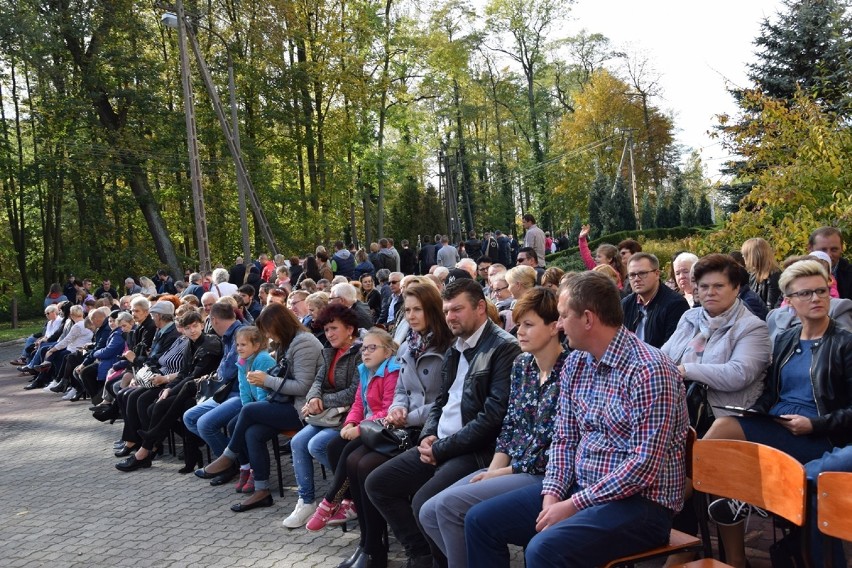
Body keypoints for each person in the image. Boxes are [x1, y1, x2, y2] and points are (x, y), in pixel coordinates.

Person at [464, 271, 689, 568]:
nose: (557, 324)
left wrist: (573, 505)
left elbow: (642, 467)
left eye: (562, 316)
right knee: (479, 521)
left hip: (642, 506)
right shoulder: (576, 362)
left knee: (543, 549)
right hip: (581, 488)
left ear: (587, 319)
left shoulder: (649, 370)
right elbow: (565, 438)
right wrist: (552, 493)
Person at [703, 259, 852, 568]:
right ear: (789, 301)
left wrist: (815, 424)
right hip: (779, 424)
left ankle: (745, 496)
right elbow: (771, 393)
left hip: (819, 434)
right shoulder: (785, 339)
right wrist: (756, 413)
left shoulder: (844, 344)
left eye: (822, 291)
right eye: (806, 293)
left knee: (725, 439)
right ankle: (737, 539)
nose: (816, 299)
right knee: (724, 427)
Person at [365, 279, 521, 568]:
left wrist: (442, 448)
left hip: (475, 450)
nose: (450, 317)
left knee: (424, 503)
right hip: (441, 442)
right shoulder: (456, 346)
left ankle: (447, 560)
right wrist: (428, 434)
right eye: (447, 310)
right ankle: (423, 554)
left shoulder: (503, 348)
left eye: (457, 309)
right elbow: (442, 400)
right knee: (378, 483)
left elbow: (493, 417)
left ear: (480, 308)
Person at [419, 287, 568, 567]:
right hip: (512, 466)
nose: (519, 331)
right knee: (428, 511)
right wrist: (493, 471)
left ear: (553, 327)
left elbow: (559, 445)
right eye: (518, 323)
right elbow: (510, 425)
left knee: (451, 507)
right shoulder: (523, 365)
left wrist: (503, 472)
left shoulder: (569, 371)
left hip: (545, 475)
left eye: (528, 324)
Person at [304, 328, 401, 532]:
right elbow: (358, 403)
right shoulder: (365, 371)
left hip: (386, 429)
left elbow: (387, 408)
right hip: (367, 426)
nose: (365, 352)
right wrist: (350, 422)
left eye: (372, 348)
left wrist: (360, 428)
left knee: (350, 453)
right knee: (333, 446)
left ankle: (329, 502)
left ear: (388, 352)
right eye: (364, 348)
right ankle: (349, 501)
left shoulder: (392, 372)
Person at [661, 254, 771, 421]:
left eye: (718, 286)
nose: (710, 293)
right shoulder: (689, 317)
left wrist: (686, 370)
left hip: (721, 415)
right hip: (678, 406)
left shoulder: (752, 327)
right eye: (704, 287)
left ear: (736, 288)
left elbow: (738, 374)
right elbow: (664, 355)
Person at [282, 303, 363, 529]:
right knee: (297, 442)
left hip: (345, 417)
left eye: (334, 328)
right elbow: (317, 381)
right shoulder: (329, 351)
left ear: (350, 329)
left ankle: (350, 495)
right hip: (325, 415)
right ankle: (306, 501)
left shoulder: (359, 353)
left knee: (317, 445)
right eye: (326, 329)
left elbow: (355, 391)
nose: (329, 334)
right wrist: (313, 399)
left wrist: (322, 402)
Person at [621, 253, 690, 349]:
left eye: (642, 273)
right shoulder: (626, 304)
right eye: (632, 275)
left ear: (657, 274)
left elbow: (672, 350)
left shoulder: (675, 304)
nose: (636, 279)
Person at [808, 226, 852, 300]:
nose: (828, 255)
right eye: (823, 250)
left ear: (841, 248)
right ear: (810, 249)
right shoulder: (794, 273)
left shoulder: (850, 274)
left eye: (834, 249)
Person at [741, 237, 782, 310]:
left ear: (753, 256)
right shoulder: (752, 274)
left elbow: (772, 307)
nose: (743, 257)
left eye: (745, 254)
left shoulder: (774, 275)